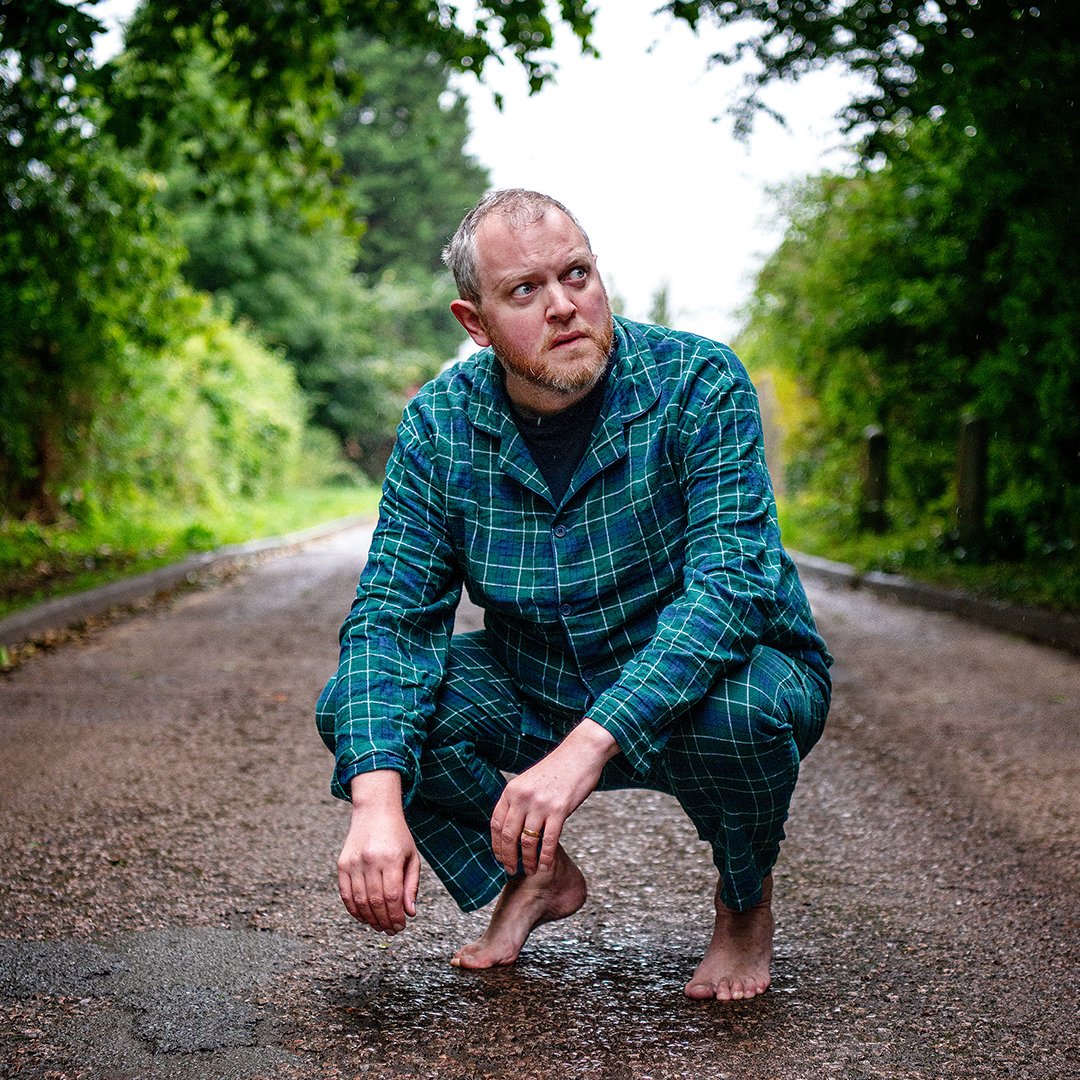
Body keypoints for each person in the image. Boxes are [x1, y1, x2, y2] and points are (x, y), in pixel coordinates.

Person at [316, 189, 831, 1001]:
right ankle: (532, 877)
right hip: (539, 679)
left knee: (753, 711)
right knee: (363, 707)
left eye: (577, 275)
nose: (564, 306)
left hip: (704, 683)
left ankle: (743, 905)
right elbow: (391, 618)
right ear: (474, 323)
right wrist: (374, 802)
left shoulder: (698, 383)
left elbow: (731, 589)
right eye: (525, 290)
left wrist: (586, 747)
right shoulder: (439, 426)